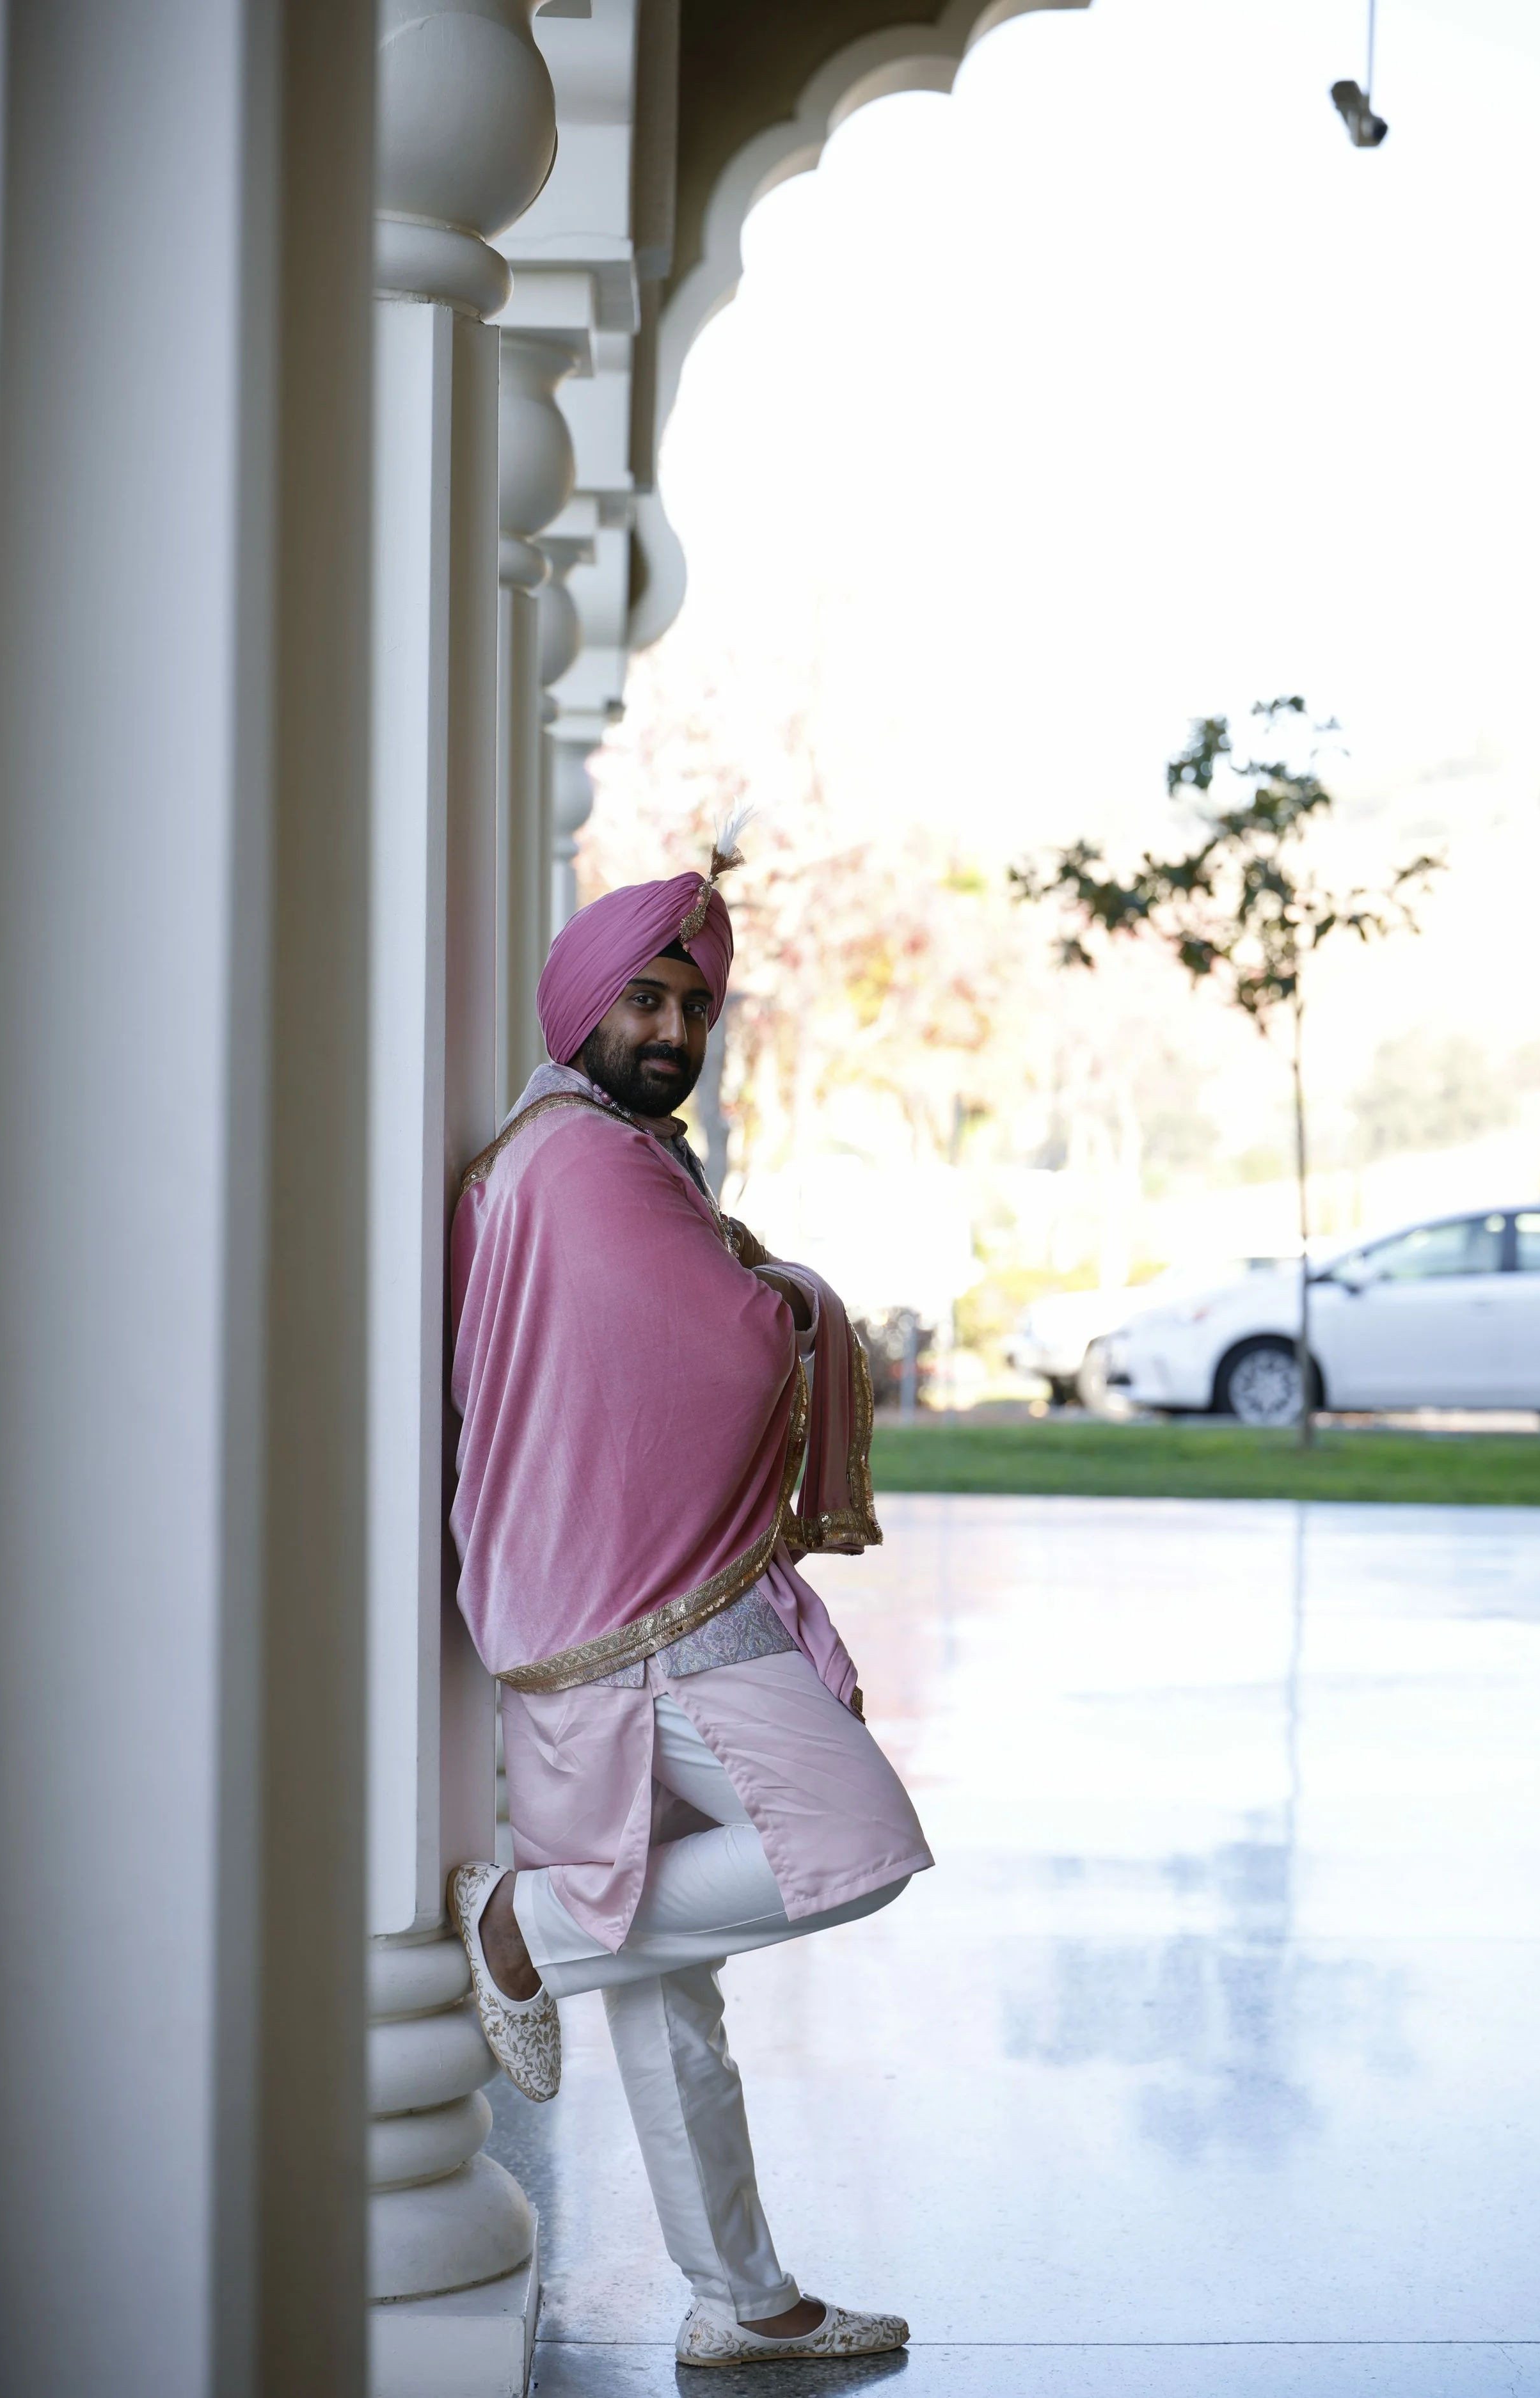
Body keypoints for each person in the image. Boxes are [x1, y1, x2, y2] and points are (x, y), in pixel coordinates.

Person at [444, 837, 933, 2369]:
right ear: (579, 1002)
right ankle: (521, 1929)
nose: (671, 1030)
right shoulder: (585, 1157)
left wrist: (739, 1269)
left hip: (596, 1603)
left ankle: (742, 2297)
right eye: (645, 998)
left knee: (675, 1991)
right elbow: (718, 1353)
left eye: (693, 1008)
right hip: (653, 1618)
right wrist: (790, 1295)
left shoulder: (580, 1149)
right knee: (855, 1843)